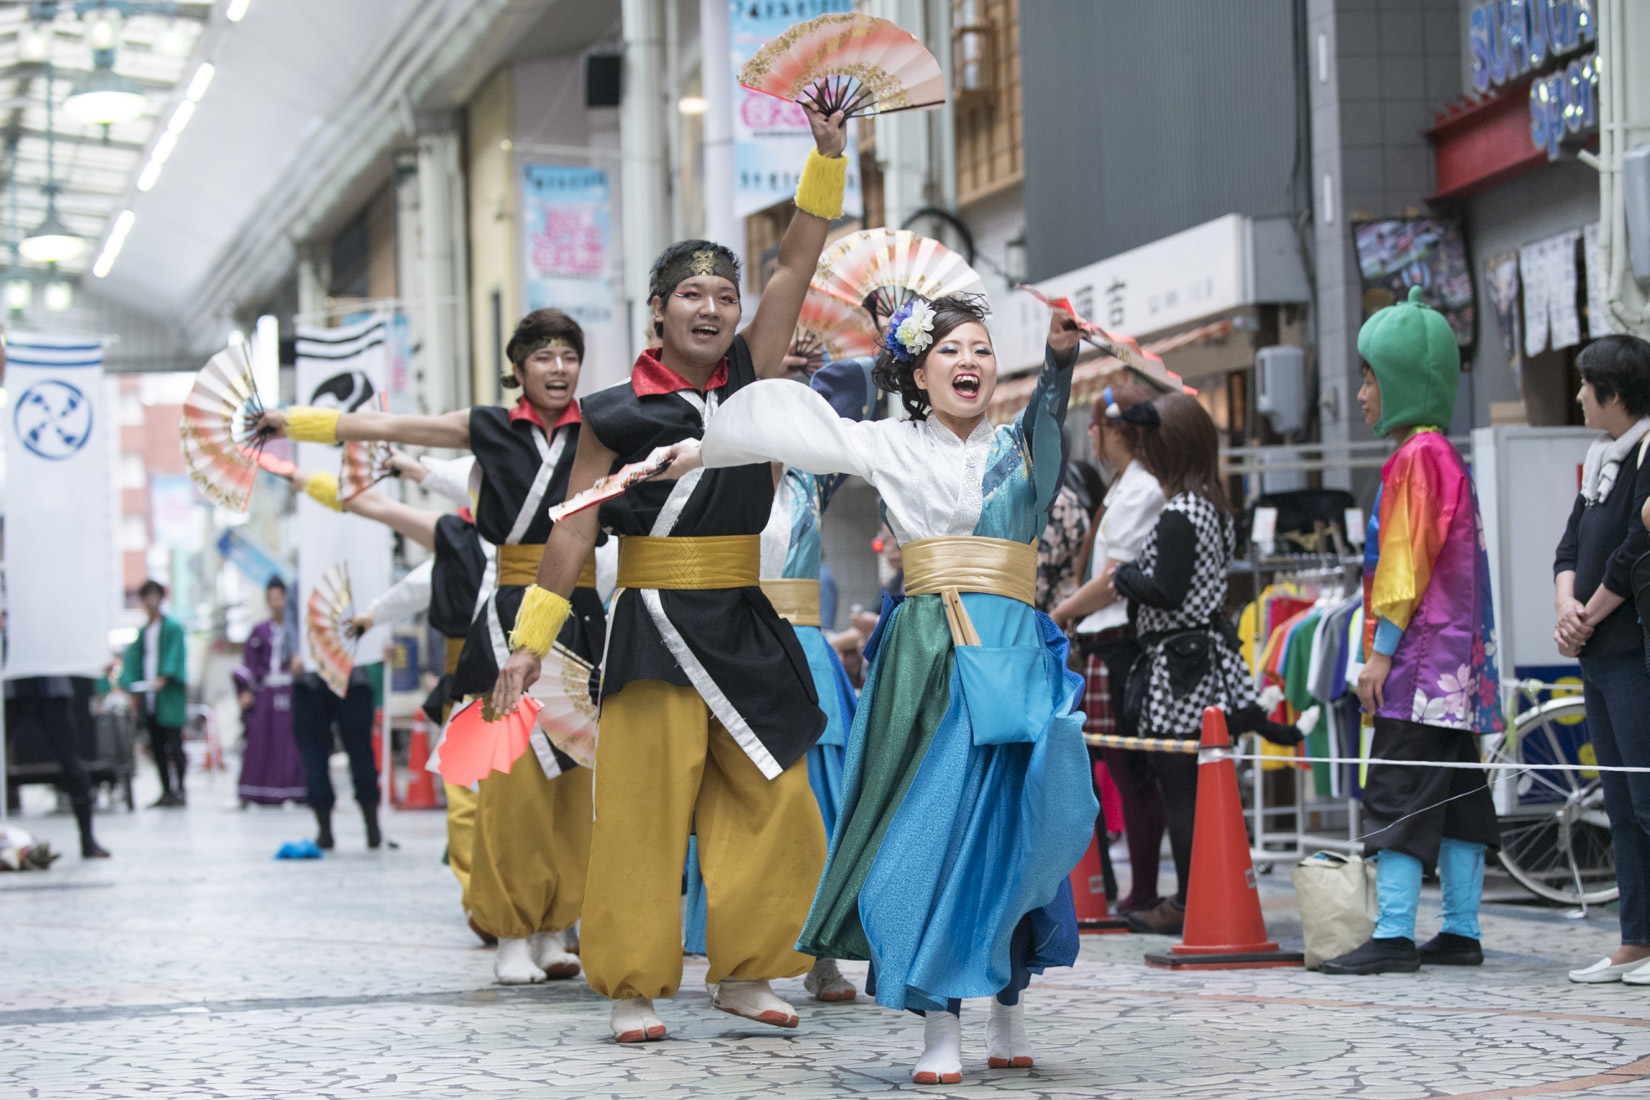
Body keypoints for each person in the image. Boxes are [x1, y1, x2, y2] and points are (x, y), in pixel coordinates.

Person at [665, 297, 1097, 1084]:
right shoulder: (887, 444)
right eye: (950, 349)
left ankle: (1010, 1003)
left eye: (983, 349)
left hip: (1011, 654)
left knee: (1014, 828)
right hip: (927, 657)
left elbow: (1047, 429)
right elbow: (794, 430)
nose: (970, 361)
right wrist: (697, 451)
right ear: (918, 372)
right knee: (930, 834)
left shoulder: (1016, 447)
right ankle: (940, 1022)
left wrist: (1060, 364)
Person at [485, 104, 847, 1045]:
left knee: (779, 805)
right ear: (658, 309)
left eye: (724, 296)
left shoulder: (751, 376)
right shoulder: (607, 413)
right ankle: (635, 985)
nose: (713, 308)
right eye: (693, 296)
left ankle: (747, 972)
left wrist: (824, 159)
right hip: (650, 629)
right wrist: (529, 645)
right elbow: (572, 535)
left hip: (743, 617)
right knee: (642, 818)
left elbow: (796, 266)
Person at [263, 309, 600, 986]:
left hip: (581, 617)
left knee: (573, 784)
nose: (558, 369)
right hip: (506, 615)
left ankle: (555, 927)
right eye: (543, 357)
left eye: (568, 356)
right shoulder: (487, 428)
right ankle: (507, 931)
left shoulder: (602, 428)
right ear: (518, 368)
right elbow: (387, 427)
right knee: (508, 785)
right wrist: (291, 423)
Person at [681, 352, 875, 1003]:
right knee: (740, 806)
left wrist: (800, 371)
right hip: (739, 646)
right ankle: (737, 952)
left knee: (820, 807)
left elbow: (854, 390)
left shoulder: (813, 481)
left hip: (809, 656)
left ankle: (822, 953)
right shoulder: (717, 477)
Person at [1320, 285, 1502, 976]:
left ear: (1398, 379)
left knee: (1397, 787)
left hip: (1421, 668)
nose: (1362, 393)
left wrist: (1377, 657)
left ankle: (1394, 934)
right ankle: (1460, 928)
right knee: (1458, 796)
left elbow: (1402, 567)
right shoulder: (1445, 454)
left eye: (1368, 377)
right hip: (1460, 667)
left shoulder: (1416, 459)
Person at [1103, 392, 1303, 936]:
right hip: (1207, 660)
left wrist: (1123, 578)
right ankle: (1197, 896)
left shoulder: (1178, 514)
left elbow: (1165, 590)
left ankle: (1191, 902)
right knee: (1205, 786)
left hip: (1177, 668)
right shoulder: (1215, 509)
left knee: (1182, 791)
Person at [1553, 334, 1650, 984]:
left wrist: (1590, 612)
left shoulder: (1645, 451)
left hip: (1631, 650)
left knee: (1647, 799)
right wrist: (1567, 604)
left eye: (1588, 385)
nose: (1580, 395)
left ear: (1614, 393)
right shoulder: (1600, 457)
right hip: (1597, 653)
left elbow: (1640, 544)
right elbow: (1569, 545)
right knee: (1617, 803)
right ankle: (1635, 939)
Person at [1051, 384, 1168, 916]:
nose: (1091, 437)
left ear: (1115, 429)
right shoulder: (1124, 485)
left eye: (1096, 426)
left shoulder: (1142, 487)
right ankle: (1115, 890)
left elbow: (1114, 577)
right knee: (1108, 770)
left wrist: (1060, 612)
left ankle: (1140, 892)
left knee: (1130, 774)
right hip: (1101, 641)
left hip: (1118, 641)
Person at [3, 676, 109, 858]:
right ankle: (88, 842)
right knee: (71, 760)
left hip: (45, 685)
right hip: (14, 684)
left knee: (72, 760)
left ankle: (88, 840)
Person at [232, 578, 307, 807]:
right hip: (266, 692)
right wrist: (244, 690)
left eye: (280, 598)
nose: (276, 603)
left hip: (292, 689)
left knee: (293, 741)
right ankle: (256, 790)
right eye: (271, 599)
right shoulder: (260, 630)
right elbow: (249, 663)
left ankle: (297, 789)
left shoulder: (298, 630)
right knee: (260, 740)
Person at [119, 580, 189, 808]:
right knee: (156, 745)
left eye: (154, 596)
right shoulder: (143, 632)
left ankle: (181, 789)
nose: (151, 601)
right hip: (149, 696)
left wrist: (166, 676)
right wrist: (127, 682)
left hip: (168, 695)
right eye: (146, 597)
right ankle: (166, 790)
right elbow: (132, 661)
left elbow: (174, 655)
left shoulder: (172, 627)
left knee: (175, 744)